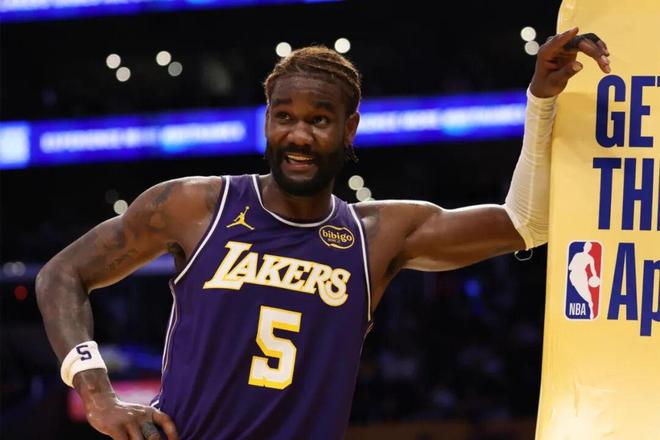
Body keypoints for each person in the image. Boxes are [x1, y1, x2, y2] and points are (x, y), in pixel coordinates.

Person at [36, 27, 610, 440]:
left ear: (349, 128)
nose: (299, 135)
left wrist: (541, 99)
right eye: (284, 116)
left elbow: (526, 223)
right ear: (267, 120)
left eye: (319, 119)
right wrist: (98, 396)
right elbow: (62, 274)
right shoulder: (195, 205)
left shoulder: (377, 234)